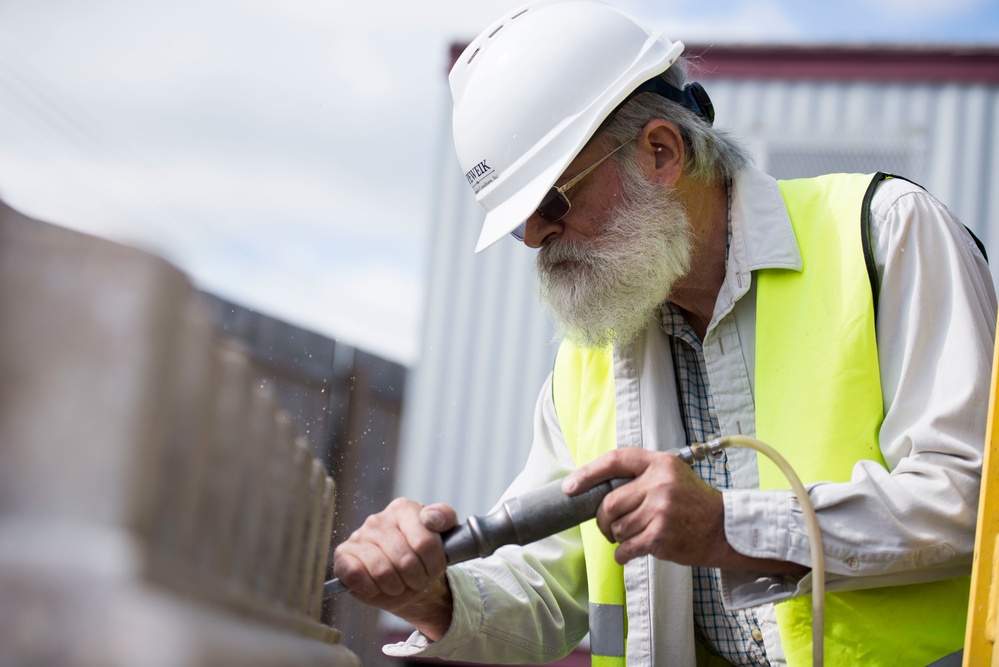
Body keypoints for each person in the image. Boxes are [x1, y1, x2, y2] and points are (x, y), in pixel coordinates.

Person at [332, 1, 998, 665]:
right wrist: (431, 594)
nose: (535, 238)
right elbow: (545, 591)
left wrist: (727, 527)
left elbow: (970, 499)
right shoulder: (585, 364)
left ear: (660, 152)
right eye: (517, 225)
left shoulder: (884, 235)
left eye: (551, 204)